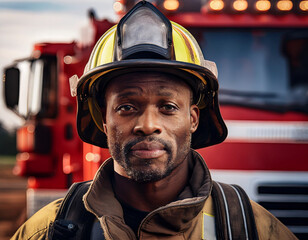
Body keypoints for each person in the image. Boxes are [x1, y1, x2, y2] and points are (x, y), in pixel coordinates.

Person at [11, 1, 297, 240]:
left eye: (168, 106)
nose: (147, 124)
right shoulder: (47, 230)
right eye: (126, 106)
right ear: (104, 120)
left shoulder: (254, 229)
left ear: (193, 119)